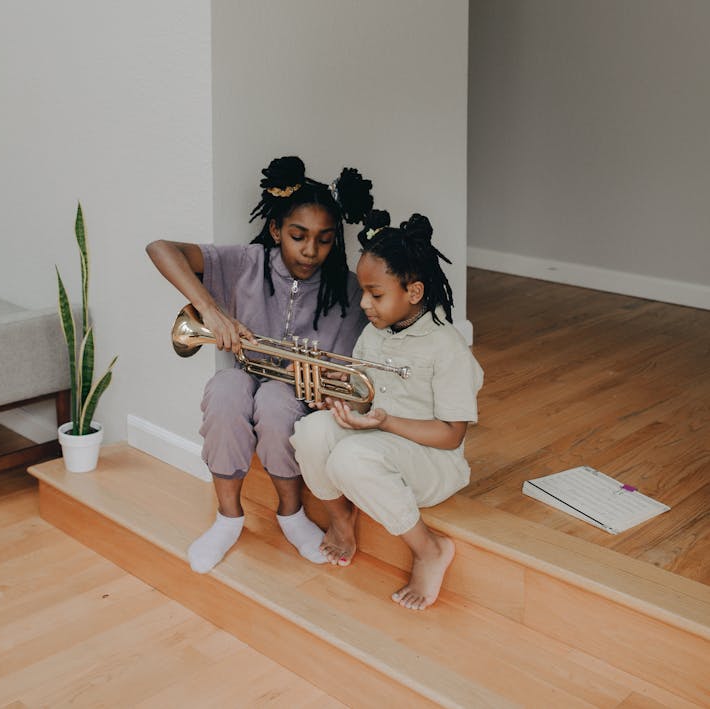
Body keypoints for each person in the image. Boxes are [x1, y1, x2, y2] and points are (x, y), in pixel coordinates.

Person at [146, 155, 373, 572]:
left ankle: (291, 514)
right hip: (245, 375)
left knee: (274, 400)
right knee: (224, 390)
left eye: (324, 239)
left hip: (297, 396)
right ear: (275, 230)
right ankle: (227, 519)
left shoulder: (347, 289)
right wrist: (211, 311)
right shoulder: (246, 262)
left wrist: (337, 379)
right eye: (297, 236)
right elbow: (160, 248)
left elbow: (357, 362)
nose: (310, 250)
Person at [291, 210, 483, 611]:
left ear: (413, 292)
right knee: (311, 430)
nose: (364, 304)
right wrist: (338, 402)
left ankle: (429, 549)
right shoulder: (373, 334)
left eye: (375, 295)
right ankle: (342, 520)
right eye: (363, 292)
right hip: (380, 442)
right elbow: (367, 398)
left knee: (349, 457)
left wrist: (385, 420)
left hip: (433, 462)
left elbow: (452, 435)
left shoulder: (446, 347)